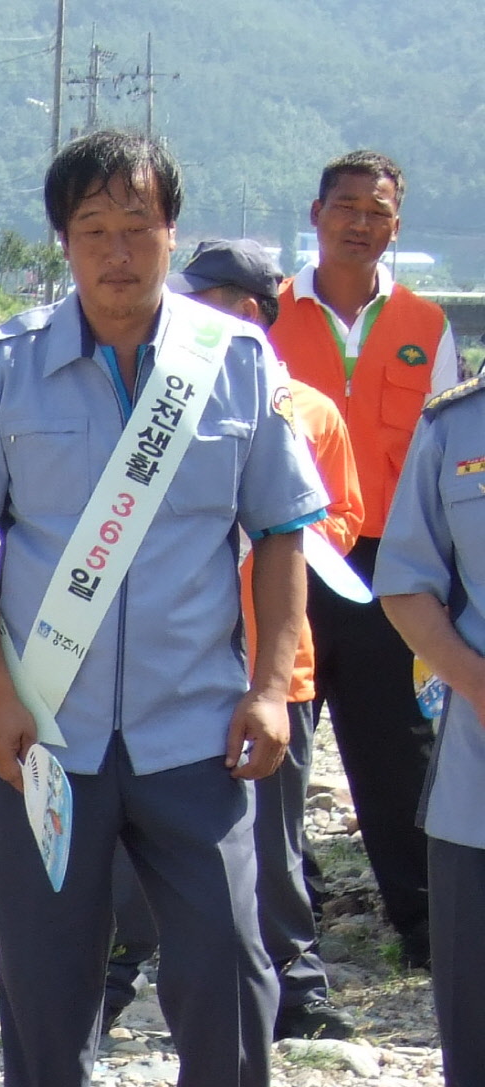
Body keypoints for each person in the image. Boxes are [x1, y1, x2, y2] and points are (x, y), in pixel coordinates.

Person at [0, 132, 326, 1087]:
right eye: (90, 231)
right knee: (44, 980)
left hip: (197, 728)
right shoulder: (1, 371)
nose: (113, 251)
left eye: (134, 228)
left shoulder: (235, 366)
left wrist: (268, 681)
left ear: (169, 234)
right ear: (62, 243)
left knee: (225, 965)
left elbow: (280, 534)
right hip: (41, 737)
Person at [104, 239, 366, 1047]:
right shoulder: (144, 402)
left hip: (272, 673)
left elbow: (343, 522)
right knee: (142, 837)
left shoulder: (305, 410)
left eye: (207, 300)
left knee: (273, 841)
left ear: (247, 312)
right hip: (169, 668)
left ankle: (296, 983)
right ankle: (112, 978)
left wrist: (275, 530)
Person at [269, 152, 461, 970]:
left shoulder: (428, 326)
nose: (359, 223)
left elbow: (452, 456)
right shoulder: (265, 314)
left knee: (398, 746)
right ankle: (282, 926)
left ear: (396, 227)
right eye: (346, 207)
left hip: (393, 565)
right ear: (315, 214)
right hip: (285, 553)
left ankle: (426, 930)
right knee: (279, 742)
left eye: (377, 212)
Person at [373, 369, 485, 1087]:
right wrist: (476, 683)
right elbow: (406, 581)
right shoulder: (459, 427)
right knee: (479, 1027)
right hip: (479, 783)